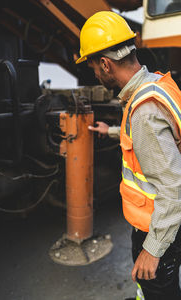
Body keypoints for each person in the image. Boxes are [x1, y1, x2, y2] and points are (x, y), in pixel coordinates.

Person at [76, 11, 181, 300]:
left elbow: (173, 189)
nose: (95, 74)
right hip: (160, 223)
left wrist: (152, 250)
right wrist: (108, 131)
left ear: (106, 64)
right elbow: (154, 141)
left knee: (159, 291)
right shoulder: (156, 85)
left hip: (156, 228)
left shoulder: (143, 112)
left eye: (94, 67)